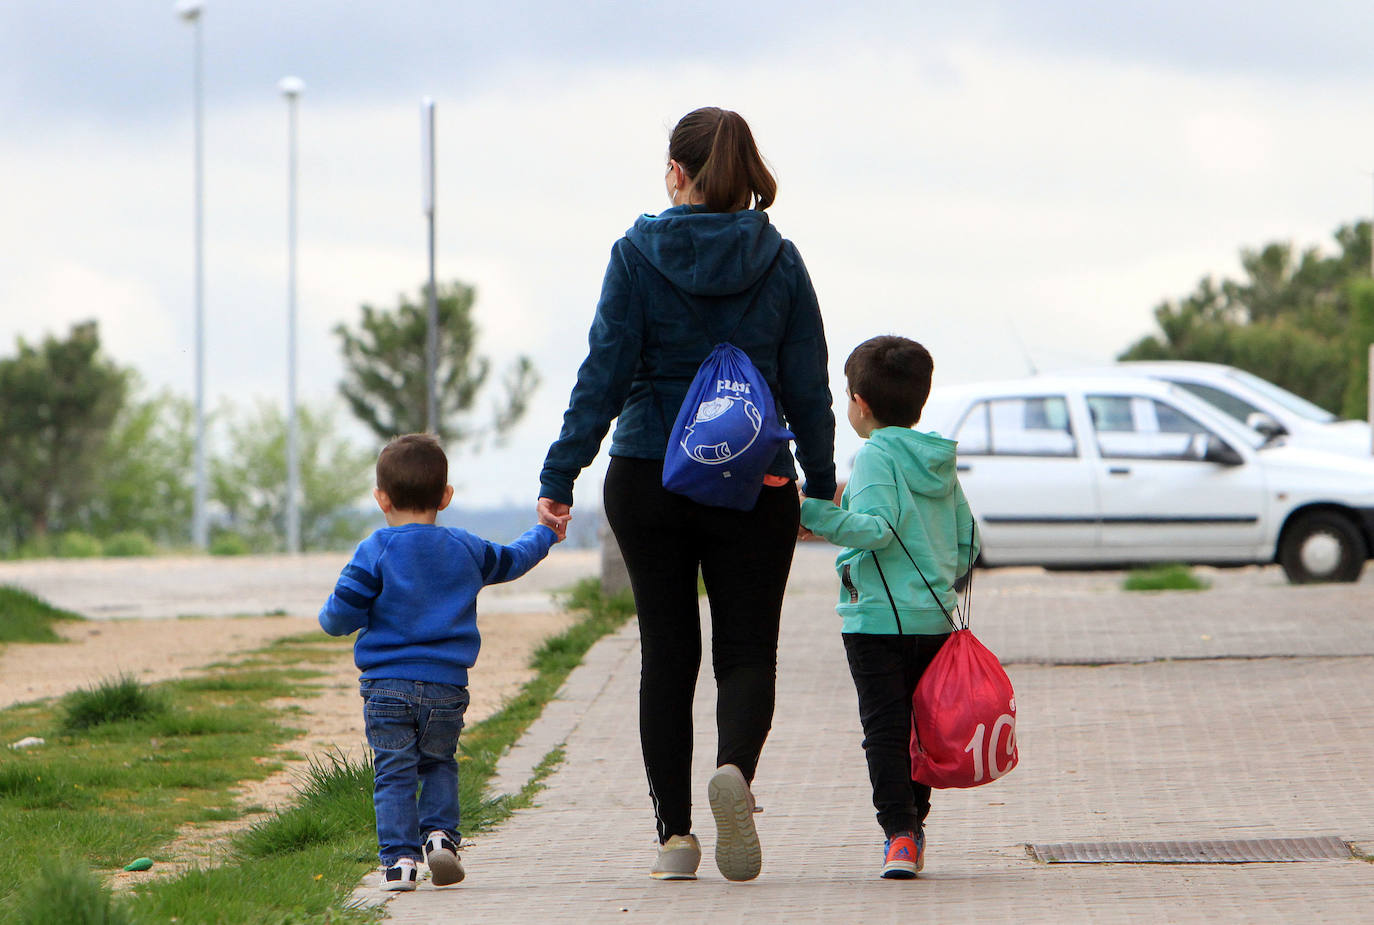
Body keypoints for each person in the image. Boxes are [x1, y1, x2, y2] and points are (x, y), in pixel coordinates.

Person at [536, 106, 836, 882]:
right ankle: (734, 770)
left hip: (649, 470)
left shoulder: (636, 254)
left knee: (667, 654)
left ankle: (674, 835)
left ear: (676, 172)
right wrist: (821, 481)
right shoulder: (781, 257)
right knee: (745, 650)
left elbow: (602, 372)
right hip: (754, 478)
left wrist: (559, 473)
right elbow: (807, 383)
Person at [320, 433, 558, 891]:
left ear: (381, 498)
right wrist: (546, 531)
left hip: (386, 686)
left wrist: (338, 617)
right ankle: (441, 837)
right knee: (439, 763)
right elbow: (513, 559)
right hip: (447, 687)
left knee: (393, 772)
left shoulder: (375, 550)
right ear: (446, 497)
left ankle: (399, 864)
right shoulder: (466, 547)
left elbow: (339, 616)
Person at [797, 335, 978, 879]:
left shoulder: (875, 453)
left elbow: (876, 530)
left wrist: (809, 512)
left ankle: (900, 835)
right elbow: (968, 539)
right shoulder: (937, 458)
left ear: (860, 403)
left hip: (876, 619)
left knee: (884, 726)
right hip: (936, 618)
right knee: (923, 727)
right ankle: (915, 827)